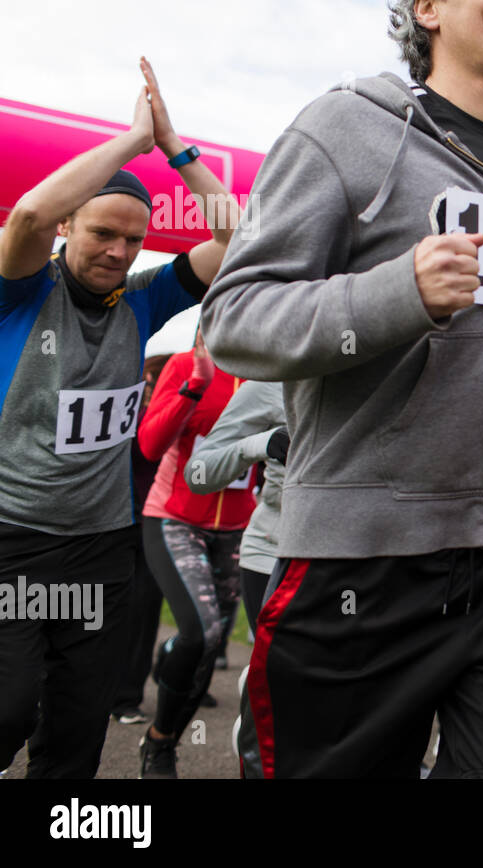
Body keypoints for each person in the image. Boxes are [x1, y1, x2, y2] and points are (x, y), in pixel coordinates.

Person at [201, 0, 483, 778]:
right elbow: (235, 320)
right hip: (366, 560)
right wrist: (398, 292)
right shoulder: (345, 129)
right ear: (428, 8)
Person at [0, 57, 236, 778]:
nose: (118, 252)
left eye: (133, 239)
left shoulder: (142, 301)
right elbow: (30, 214)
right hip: (14, 542)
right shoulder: (19, 291)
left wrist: (178, 152)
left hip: (103, 548)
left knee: (76, 730)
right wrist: (134, 140)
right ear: (69, 225)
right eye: (103, 233)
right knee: (8, 709)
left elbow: (243, 241)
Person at [135, 328, 257, 777]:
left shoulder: (271, 372)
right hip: (175, 517)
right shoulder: (186, 365)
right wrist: (196, 385)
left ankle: (171, 659)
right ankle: (160, 744)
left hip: (238, 526)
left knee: (206, 645)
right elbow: (150, 444)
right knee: (202, 632)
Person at [185, 379, 288, 633]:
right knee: (200, 635)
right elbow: (197, 473)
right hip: (272, 551)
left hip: (363, 558)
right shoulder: (271, 383)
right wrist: (262, 444)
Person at [110, 353, 171, 726]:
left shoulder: (173, 413)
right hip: (113, 521)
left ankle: (128, 696)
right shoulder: (121, 410)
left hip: (154, 521)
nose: (150, 384)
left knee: (146, 608)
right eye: (149, 377)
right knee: (105, 608)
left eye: (157, 378)